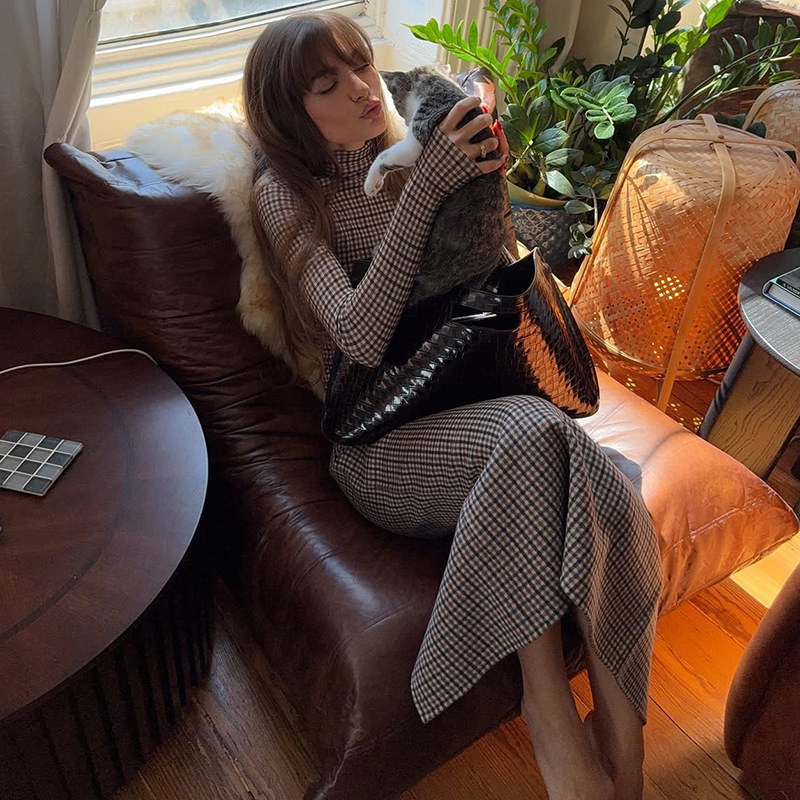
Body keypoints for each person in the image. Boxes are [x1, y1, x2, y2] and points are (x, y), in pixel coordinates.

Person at [243, 11, 662, 800]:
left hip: (479, 407)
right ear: (287, 111)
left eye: (361, 64)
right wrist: (427, 188)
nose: (362, 89)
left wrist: (481, 176)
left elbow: (489, 275)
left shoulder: (418, 136)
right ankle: (557, 718)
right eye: (327, 84)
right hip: (379, 444)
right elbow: (359, 337)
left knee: (558, 450)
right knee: (553, 444)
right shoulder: (286, 195)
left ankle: (617, 736)